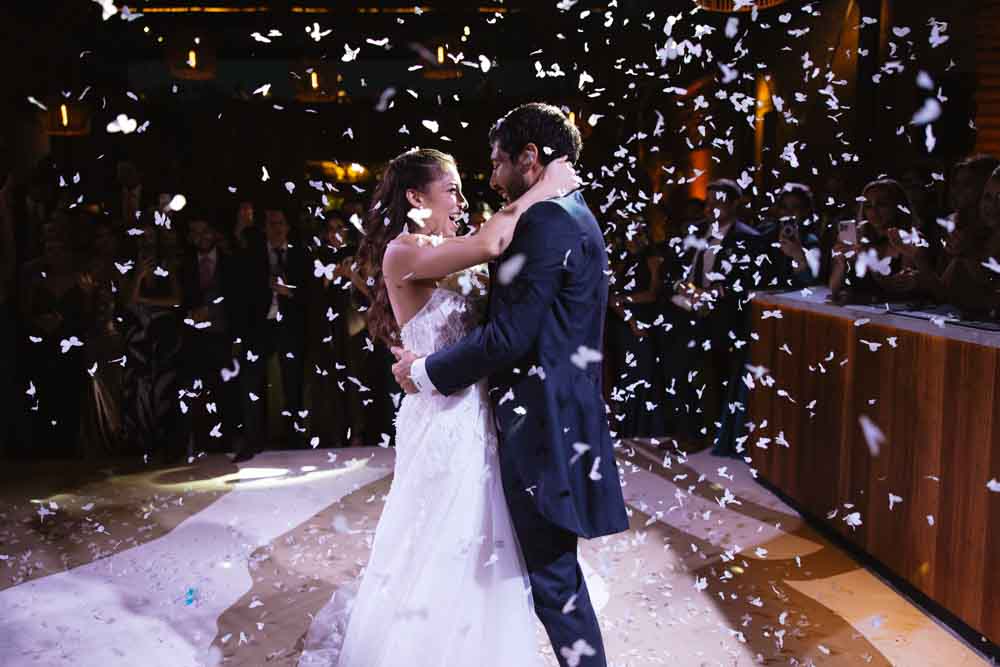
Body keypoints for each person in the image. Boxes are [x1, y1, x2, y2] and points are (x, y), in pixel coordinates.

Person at [297, 145, 578, 667]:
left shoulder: (447, 246)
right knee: (443, 537)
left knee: (483, 536)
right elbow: (492, 242)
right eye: (451, 189)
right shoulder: (401, 252)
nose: (462, 200)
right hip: (444, 419)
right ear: (415, 197)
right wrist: (547, 187)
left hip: (479, 411)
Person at [389, 103, 628, 666]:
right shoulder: (571, 211)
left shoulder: (546, 220)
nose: (491, 180)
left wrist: (425, 370)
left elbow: (508, 336)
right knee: (499, 562)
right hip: (519, 417)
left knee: (547, 573)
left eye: (498, 163)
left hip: (535, 423)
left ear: (530, 157)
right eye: (452, 187)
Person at [234, 205, 310, 461]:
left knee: (292, 382)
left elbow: (311, 292)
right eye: (271, 224)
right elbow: (242, 290)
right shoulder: (252, 254)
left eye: (280, 223)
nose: (276, 229)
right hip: (259, 326)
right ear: (264, 228)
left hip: (290, 326)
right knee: (252, 381)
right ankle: (253, 439)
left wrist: (288, 291)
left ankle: (295, 438)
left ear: (287, 227)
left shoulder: (300, 253)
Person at [829, 178, 928, 303]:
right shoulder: (853, 234)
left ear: (898, 207)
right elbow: (834, 290)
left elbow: (901, 291)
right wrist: (841, 263)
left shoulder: (911, 239)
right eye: (868, 206)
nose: (874, 211)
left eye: (882, 204)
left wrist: (871, 265)